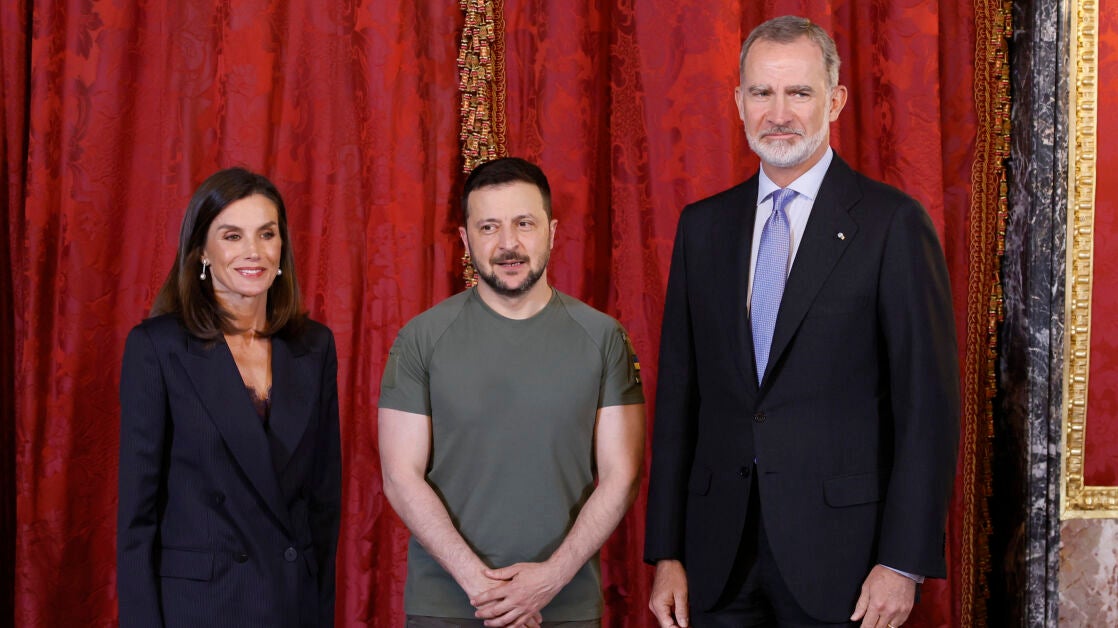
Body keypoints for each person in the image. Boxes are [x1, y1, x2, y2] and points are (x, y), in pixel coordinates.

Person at [644, 15, 960, 628]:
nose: (779, 113)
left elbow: (927, 408)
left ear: (835, 101)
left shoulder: (892, 224)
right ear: (739, 103)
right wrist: (667, 551)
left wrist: (902, 562)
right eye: (762, 92)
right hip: (716, 558)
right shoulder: (702, 227)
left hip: (845, 562)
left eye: (799, 92)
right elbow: (679, 401)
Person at [378, 157, 645, 628]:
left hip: (564, 607)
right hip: (448, 608)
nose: (508, 244)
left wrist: (548, 580)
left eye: (524, 223)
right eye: (488, 227)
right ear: (465, 240)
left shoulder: (605, 338)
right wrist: (483, 587)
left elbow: (622, 475)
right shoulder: (419, 339)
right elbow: (401, 477)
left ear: (551, 232)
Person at [117, 167, 341, 628]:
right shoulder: (158, 347)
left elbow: (323, 504)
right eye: (232, 235)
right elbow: (137, 515)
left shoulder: (314, 346)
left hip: (290, 602)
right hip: (200, 607)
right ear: (202, 249)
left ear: (282, 247)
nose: (253, 251)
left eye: (267, 234)